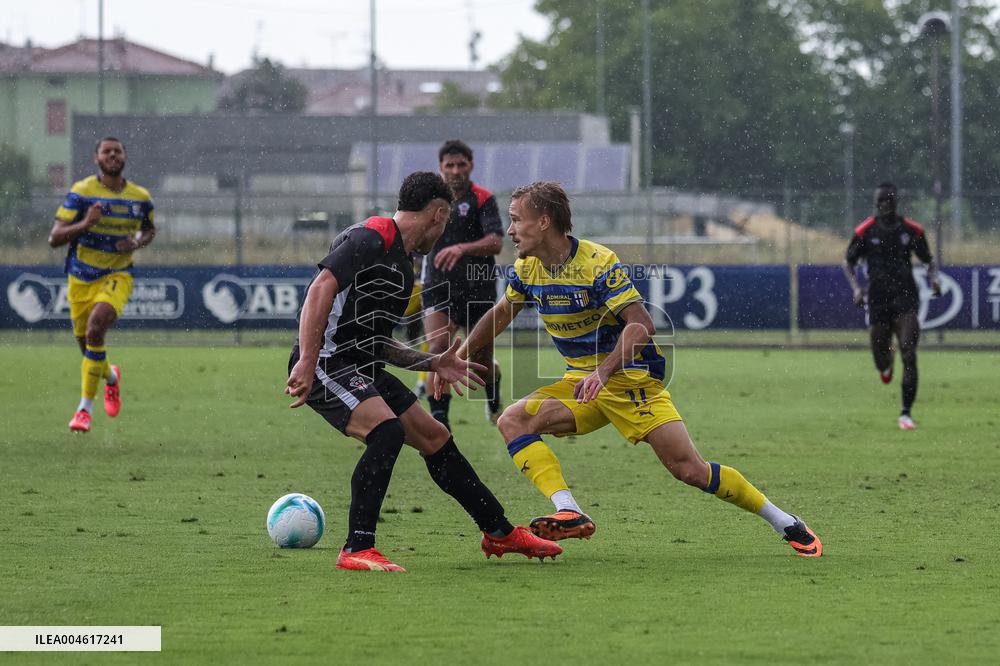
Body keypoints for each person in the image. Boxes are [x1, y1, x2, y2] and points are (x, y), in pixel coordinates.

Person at [448, 181, 822, 557]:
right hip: (582, 383)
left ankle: (784, 521)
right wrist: (457, 355)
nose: (510, 230)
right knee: (512, 420)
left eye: (516, 220)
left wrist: (604, 372)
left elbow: (642, 324)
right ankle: (570, 511)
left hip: (632, 381)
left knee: (689, 470)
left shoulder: (597, 263)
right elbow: (500, 314)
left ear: (544, 222)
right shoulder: (527, 267)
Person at [285, 171, 562, 572]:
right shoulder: (374, 236)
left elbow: (376, 343)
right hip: (329, 363)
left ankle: (500, 532)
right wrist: (309, 360)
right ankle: (357, 548)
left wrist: (434, 362)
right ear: (437, 213)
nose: (444, 229)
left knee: (435, 437)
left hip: (360, 364)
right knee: (387, 432)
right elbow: (320, 288)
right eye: (445, 220)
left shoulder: (402, 260)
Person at [47, 137, 156, 433]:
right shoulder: (82, 193)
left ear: (124, 157)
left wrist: (135, 242)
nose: (112, 155)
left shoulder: (140, 197)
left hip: (118, 275)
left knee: (97, 327)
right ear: (96, 158)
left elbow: (148, 230)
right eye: (106, 151)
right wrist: (85, 223)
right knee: (89, 348)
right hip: (81, 278)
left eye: (117, 151)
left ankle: (84, 410)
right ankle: (110, 376)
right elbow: (54, 238)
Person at [843, 182, 940, 431]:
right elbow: (848, 262)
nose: (885, 204)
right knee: (880, 358)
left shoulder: (911, 230)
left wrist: (934, 278)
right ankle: (886, 363)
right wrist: (856, 287)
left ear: (895, 202)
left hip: (906, 298)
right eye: (881, 201)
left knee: (909, 352)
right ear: (876, 203)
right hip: (878, 300)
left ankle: (905, 413)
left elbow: (929, 260)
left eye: (889, 200)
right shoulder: (866, 231)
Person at [422, 140, 505, 429]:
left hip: (477, 289)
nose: (456, 170)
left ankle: (493, 391)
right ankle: (439, 418)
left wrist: (461, 248)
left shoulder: (482, 198)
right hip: (437, 284)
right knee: (438, 347)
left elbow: (495, 242)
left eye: (461, 164)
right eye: (450, 165)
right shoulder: (428, 200)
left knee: (481, 361)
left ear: (471, 165)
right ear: (441, 168)